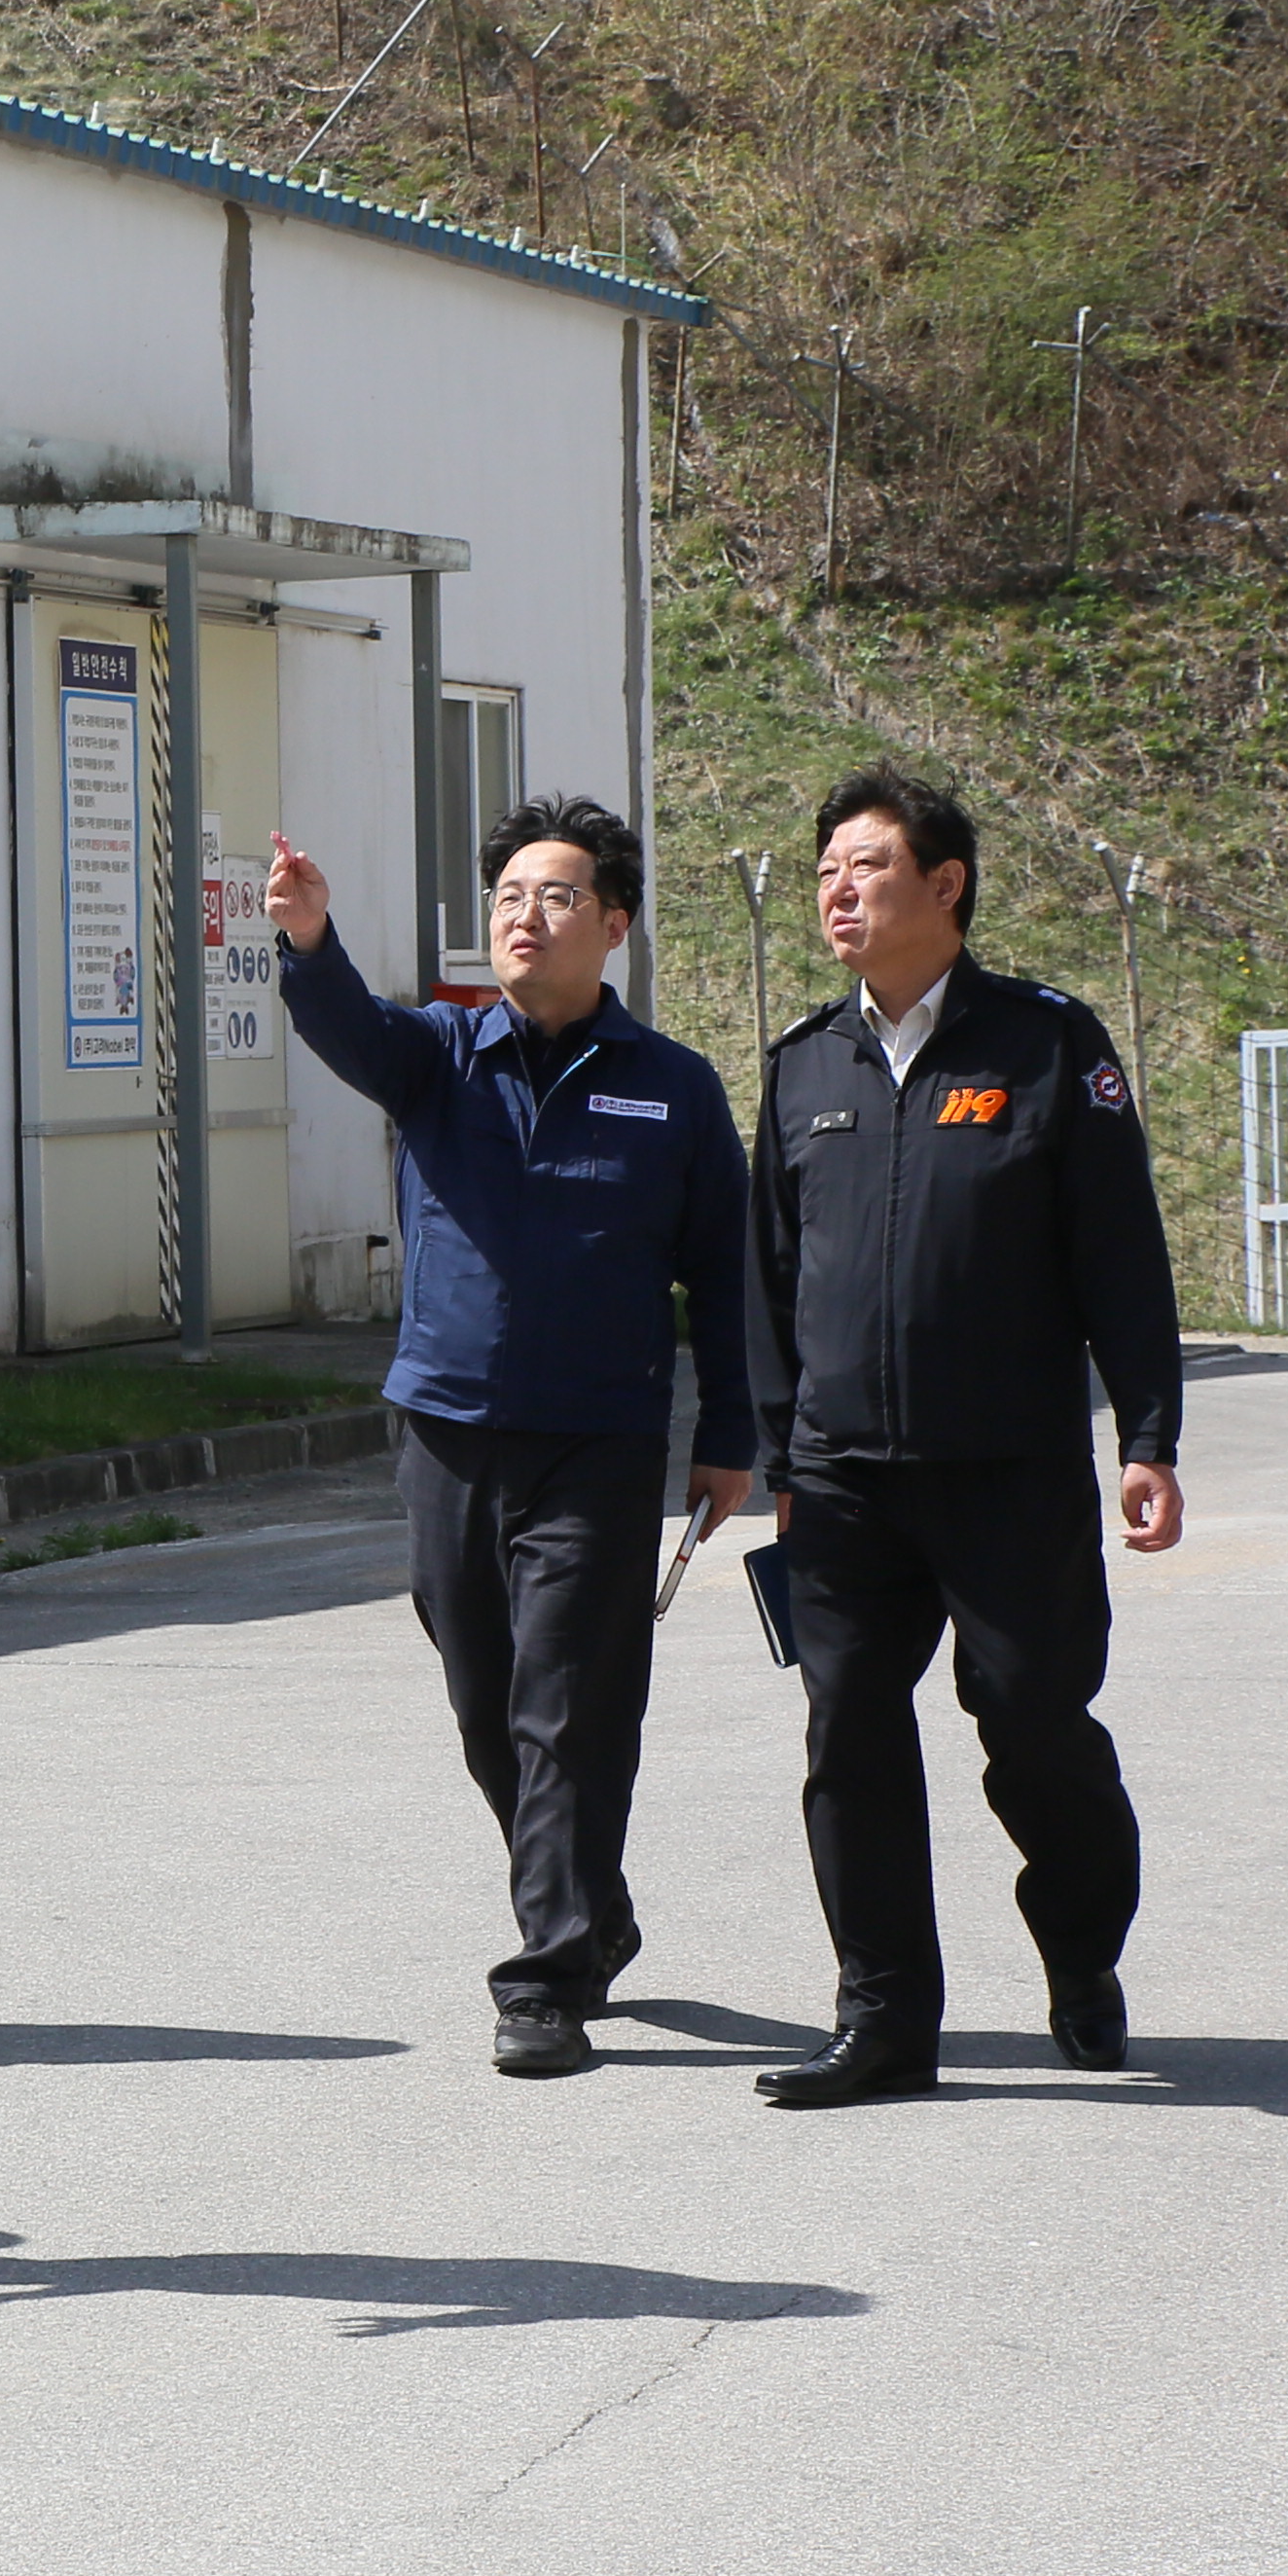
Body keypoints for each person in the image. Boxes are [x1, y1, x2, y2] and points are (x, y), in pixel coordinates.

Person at [264, 797, 753, 2080]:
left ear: (614, 924)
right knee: (489, 1705)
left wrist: (733, 1434)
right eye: (507, 898)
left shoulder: (674, 1089)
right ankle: (592, 1905)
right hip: (448, 1432)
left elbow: (725, 1273)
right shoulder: (440, 1054)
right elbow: (346, 1027)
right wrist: (309, 940)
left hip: (598, 1442)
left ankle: (546, 1978)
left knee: (569, 1708)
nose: (524, 917)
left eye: (555, 896)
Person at [745, 765, 1188, 2110]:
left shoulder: (1044, 1044)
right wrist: (778, 1457)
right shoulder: (803, 1062)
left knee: (1036, 1728)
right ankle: (883, 2019)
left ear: (946, 884)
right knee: (849, 1734)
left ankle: (1081, 1954)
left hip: (1008, 1472)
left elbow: (1119, 1252)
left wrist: (1148, 1434)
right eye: (826, 870)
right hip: (844, 1478)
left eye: (867, 866)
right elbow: (770, 1278)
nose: (838, 891)